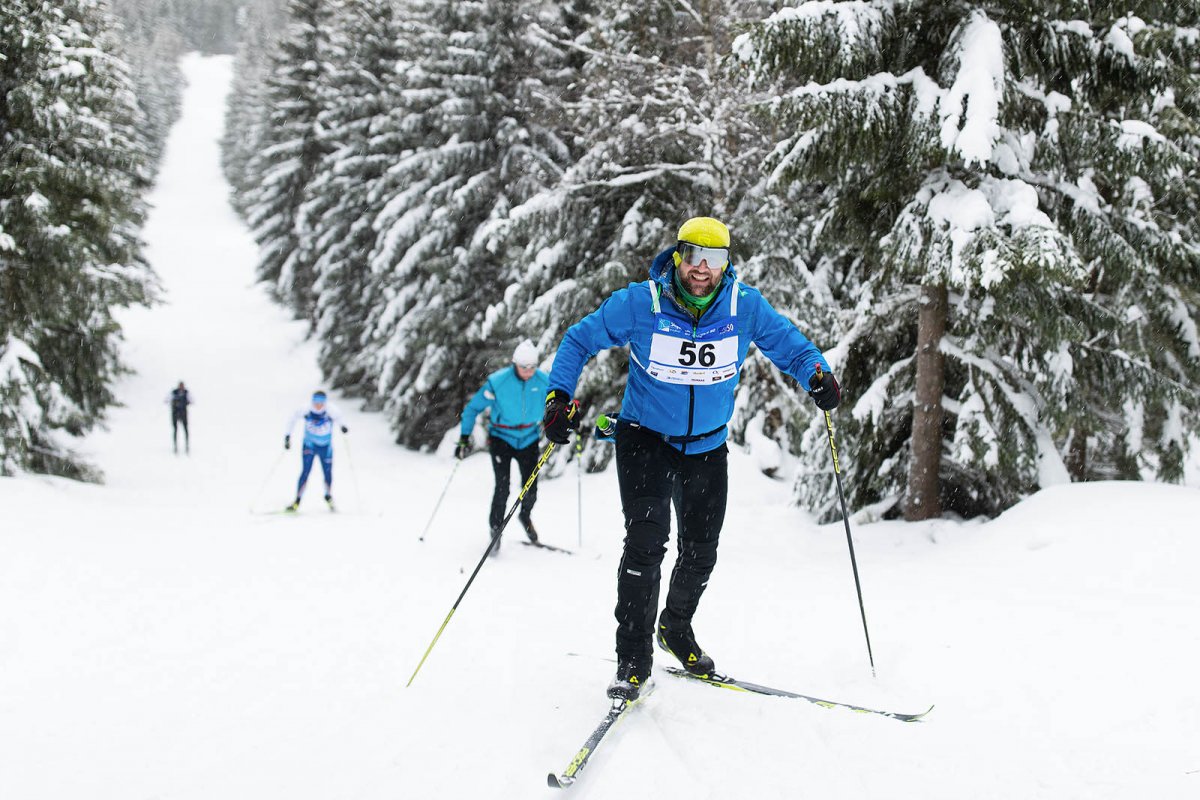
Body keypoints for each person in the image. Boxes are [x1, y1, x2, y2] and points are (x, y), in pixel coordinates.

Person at [542, 216, 841, 699]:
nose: (703, 268)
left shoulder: (744, 307)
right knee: (646, 544)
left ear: (727, 264)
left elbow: (790, 346)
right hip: (646, 439)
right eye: (694, 256)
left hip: (706, 446)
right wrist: (559, 396)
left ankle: (674, 628)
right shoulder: (643, 303)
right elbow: (579, 339)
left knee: (701, 553)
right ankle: (632, 661)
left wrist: (817, 375)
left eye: (715, 259)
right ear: (678, 256)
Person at [457, 339, 551, 551]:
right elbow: (472, 409)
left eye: (532, 368)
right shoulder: (498, 382)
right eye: (523, 367)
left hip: (528, 438)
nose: (528, 372)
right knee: (503, 486)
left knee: (531, 488)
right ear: (514, 363)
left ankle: (525, 516)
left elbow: (562, 403)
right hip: (502, 438)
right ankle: (496, 529)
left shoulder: (545, 382)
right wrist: (464, 437)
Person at [283, 390, 348, 511]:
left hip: (325, 447)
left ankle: (328, 496)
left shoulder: (331, 410)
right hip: (309, 446)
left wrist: (343, 426)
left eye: (321, 402)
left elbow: (341, 419)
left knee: (327, 473)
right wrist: (287, 436)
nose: (318, 405)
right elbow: (292, 419)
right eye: (316, 402)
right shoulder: (305, 409)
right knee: (305, 472)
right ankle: (297, 501)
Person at [168, 381, 192, 454]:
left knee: (185, 429)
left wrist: (187, 402)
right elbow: (167, 400)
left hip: (183, 412)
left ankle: (187, 444)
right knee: (175, 429)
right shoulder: (174, 393)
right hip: (175, 412)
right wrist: (173, 402)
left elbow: (192, 400)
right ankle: (175, 445)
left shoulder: (186, 393)